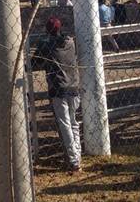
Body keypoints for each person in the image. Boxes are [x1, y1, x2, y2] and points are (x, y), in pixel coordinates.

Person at [31, 17, 82, 173]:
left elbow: (34, 63)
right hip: (74, 86)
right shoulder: (71, 42)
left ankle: (73, 160)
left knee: (65, 124)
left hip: (58, 89)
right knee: (73, 123)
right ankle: (77, 156)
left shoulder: (46, 45)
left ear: (47, 30)